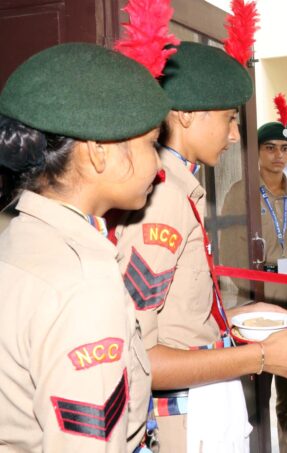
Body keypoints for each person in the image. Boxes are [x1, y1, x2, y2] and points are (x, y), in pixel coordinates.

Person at [110, 42, 287, 452]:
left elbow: (178, 321)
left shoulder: (180, 188)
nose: (235, 134)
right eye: (230, 118)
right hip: (182, 420)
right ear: (186, 114)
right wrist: (262, 357)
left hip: (202, 406)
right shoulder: (160, 198)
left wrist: (240, 315)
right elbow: (138, 356)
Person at [0, 42, 170, 451]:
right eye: (151, 144)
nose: (160, 166)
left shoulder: (20, 237)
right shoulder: (83, 281)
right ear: (99, 152)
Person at [221, 117, 287, 453]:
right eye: (270, 148)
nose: (278, 155)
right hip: (256, 300)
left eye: (284, 148)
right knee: (255, 388)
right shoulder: (241, 193)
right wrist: (248, 295)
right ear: (258, 153)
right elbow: (231, 251)